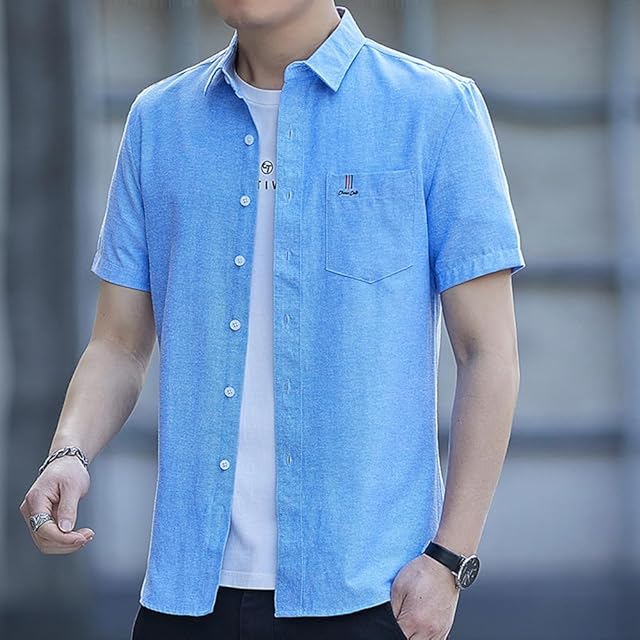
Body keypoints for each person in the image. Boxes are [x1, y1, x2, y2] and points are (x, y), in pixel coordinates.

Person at [18, 2, 526, 639]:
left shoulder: (434, 111)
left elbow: (488, 353)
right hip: (186, 596)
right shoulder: (158, 123)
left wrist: (449, 560)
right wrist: (69, 452)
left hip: (370, 595)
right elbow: (118, 344)